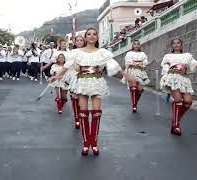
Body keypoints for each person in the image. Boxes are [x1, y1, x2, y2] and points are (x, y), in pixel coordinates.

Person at [50, 28, 135, 156]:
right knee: (83, 113)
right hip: (82, 81)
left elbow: (114, 65)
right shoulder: (76, 52)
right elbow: (67, 65)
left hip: (97, 81)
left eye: (94, 34)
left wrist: (127, 76)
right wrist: (57, 76)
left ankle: (94, 142)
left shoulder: (102, 52)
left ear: (97, 37)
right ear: (85, 37)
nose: (91, 36)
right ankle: (86, 143)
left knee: (96, 113)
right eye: (89, 34)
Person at [160, 38, 197, 136]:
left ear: (181, 45)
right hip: (173, 77)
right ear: (172, 46)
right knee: (178, 101)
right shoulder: (168, 56)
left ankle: (175, 121)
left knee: (188, 102)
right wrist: (167, 72)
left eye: (178, 43)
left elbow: (196, 64)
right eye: (174, 43)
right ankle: (176, 126)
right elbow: (165, 65)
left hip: (184, 79)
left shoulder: (187, 56)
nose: (176, 45)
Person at [122, 40, 154, 112]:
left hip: (140, 72)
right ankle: (134, 106)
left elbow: (145, 63)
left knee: (139, 89)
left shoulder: (142, 54)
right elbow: (127, 62)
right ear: (132, 45)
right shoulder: (129, 53)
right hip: (131, 70)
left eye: (138, 44)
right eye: (135, 44)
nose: (136, 45)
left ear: (140, 45)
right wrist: (135, 63)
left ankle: (135, 102)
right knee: (133, 87)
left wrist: (151, 62)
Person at [68, 35, 85, 129]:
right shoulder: (72, 52)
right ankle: (76, 118)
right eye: (77, 40)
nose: (79, 42)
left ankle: (81, 115)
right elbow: (68, 65)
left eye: (81, 40)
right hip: (74, 75)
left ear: (84, 42)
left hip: (85, 77)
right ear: (74, 42)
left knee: (82, 98)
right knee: (74, 97)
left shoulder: (88, 52)